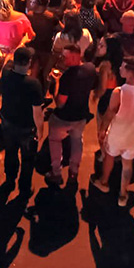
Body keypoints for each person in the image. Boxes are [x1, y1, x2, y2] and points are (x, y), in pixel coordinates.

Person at [91, 57, 134, 207]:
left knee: (109, 157)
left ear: (130, 72)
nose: (120, 69)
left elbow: (110, 113)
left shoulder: (119, 92)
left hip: (118, 133)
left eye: (123, 68)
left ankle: (104, 182)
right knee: (127, 165)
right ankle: (123, 194)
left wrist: (102, 130)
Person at [47, 44, 97, 186]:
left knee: (55, 140)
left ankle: (56, 172)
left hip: (63, 118)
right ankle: (74, 171)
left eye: (65, 57)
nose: (63, 60)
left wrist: (56, 83)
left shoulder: (67, 78)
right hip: (80, 116)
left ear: (75, 56)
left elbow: (60, 103)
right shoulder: (90, 69)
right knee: (77, 142)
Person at [0, 47, 44, 196]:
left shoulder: (5, 75)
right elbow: (37, 113)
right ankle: (24, 187)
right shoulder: (34, 84)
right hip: (26, 128)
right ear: (29, 63)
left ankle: (9, 180)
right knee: (27, 159)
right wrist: (40, 130)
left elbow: (7, 62)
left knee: (10, 153)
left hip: (8, 122)